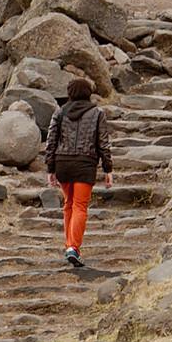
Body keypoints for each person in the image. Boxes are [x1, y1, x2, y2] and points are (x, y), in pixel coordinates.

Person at [45, 78, 113, 268]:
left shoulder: (59, 112)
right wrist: (108, 169)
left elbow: (51, 141)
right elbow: (103, 143)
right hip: (85, 164)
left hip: (63, 163)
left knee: (68, 204)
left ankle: (69, 246)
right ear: (88, 93)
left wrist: (50, 168)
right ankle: (73, 247)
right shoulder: (97, 113)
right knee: (80, 206)